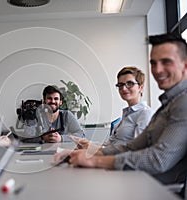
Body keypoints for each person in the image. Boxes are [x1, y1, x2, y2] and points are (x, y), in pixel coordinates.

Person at [54, 33, 187, 187]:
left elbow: (158, 159)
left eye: (166, 62)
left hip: (153, 187)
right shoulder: (168, 104)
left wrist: (95, 160)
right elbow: (131, 147)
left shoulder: (182, 103)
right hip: (138, 180)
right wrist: (86, 153)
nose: (157, 70)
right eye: (153, 63)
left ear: (184, 65)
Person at [103, 66, 153, 146]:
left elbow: (137, 150)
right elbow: (109, 145)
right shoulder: (127, 114)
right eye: (120, 85)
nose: (124, 88)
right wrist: (89, 146)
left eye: (130, 83)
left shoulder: (145, 113)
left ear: (141, 87)